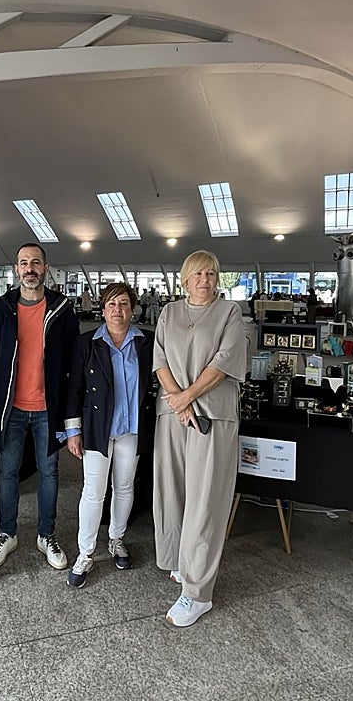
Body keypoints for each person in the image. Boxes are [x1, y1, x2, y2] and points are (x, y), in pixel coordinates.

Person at [152, 250, 247, 627]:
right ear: (185, 279)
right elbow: (159, 359)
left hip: (211, 415)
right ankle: (177, 562)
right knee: (172, 489)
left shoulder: (229, 313)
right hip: (173, 415)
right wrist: (177, 401)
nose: (204, 280)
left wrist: (187, 398)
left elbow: (225, 362)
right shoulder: (169, 312)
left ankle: (197, 593)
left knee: (206, 497)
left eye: (211, 273)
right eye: (197, 274)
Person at [0, 243, 80, 573]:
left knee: (49, 472)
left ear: (46, 268)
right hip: (11, 408)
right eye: (23, 263)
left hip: (46, 409)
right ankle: (7, 533)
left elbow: (71, 358)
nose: (29, 268)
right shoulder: (2, 309)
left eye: (35, 263)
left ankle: (46, 534)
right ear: (16, 269)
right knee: (7, 472)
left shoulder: (62, 310)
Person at [64, 282, 155, 588]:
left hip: (132, 428)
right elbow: (74, 388)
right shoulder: (87, 343)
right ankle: (85, 552)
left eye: (124, 304)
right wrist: (73, 431)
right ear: (102, 310)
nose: (118, 310)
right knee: (93, 491)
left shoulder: (146, 342)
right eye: (112, 305)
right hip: (97, 428)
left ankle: (116, 538)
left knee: (125, 486)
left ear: (133, 309)